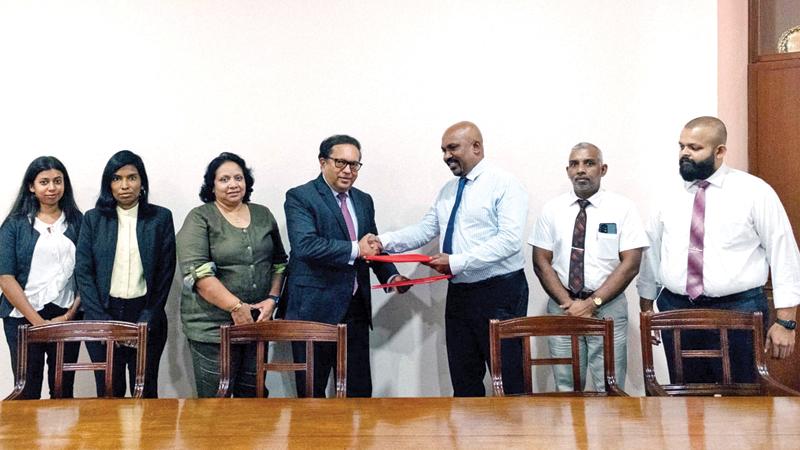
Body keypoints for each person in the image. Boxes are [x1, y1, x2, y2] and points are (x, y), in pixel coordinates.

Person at [369, 121, 530, 397]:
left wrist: (455, 263)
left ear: (476, 147)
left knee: (509, 379)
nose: (446, 156)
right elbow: (425, 230)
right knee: (464, 378)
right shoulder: (448, 190)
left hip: (501, 293)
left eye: (452, 148)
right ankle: (469, 440)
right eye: (443, 150)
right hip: (459, 294)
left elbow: (510, 242)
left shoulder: (505, 184)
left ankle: (513, 441)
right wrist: (382, 241)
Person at [638, 116, 800, 384]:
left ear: (720, 151)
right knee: (689, 397)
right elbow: (652, 251)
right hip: (678, 310)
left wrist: (786, 322)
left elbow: (783, 253)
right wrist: (646, 306)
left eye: (694, 147)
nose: (684, 154)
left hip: (739, 311)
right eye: (681, 146)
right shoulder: (668, 194)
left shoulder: (754, 192)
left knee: (742, 400)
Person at [283, 134, 408, 398]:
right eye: (341, 162)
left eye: (355, 165)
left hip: (355, 308)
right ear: (322, 162)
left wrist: (392, 276)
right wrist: (355, 248)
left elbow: (371, 245)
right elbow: (306, 245)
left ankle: (358, 441)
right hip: (313, 309)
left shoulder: (363, 200)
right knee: (311, 394)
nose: (348, 170)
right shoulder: (300, 196)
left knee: (359, 392)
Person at [530, 143, 647, 392]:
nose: (581, 170)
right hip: (563, 309)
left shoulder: (623, 209)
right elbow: (541, 261)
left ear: (603, 169)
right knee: (566, 387)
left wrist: (592, 303)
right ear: (568, 170)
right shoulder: (552, 210)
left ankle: (608, 433)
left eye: (589, 163)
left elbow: (631, 264)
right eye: (575, 164)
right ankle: (573, 433)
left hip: (607, 309)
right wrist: (569, 304)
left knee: (609, 387)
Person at [178, 152, 287, 398]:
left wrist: (272, 300)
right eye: (224, 179)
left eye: (238, 177)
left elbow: (279, 263)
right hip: (211, 330)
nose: (233, 184)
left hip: (257, 324)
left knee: (253, 399)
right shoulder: (200, 217)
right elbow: (199, 274)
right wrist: (237, 307)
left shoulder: (263, 214)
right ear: (212, 185)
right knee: (216, 403)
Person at [76, 150, 176, 398]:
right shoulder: (94, 219)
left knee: (145, 394)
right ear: (108, 184)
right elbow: (84, 272)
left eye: (132, 177)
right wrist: (101, 321)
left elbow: (166, 272)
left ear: (142, 182)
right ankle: (113, 440)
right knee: (109, 393)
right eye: (117, 178)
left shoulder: (160, 218)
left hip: (145, 315)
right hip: (103, 316)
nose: (124, 186)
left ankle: (145, 439)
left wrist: (148, 316)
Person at [0, 156, 83, 399]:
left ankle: (62, 439)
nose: (51, 188)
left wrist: (68, 316)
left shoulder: (78, 222)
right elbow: (5, 278)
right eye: (44, 182)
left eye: (58, 181)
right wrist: (38, 323)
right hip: (23, 318)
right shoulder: (14, 225)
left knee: (62, 389)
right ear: (31, 186)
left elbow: (86, 275)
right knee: (27, 391)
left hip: (66, 316)